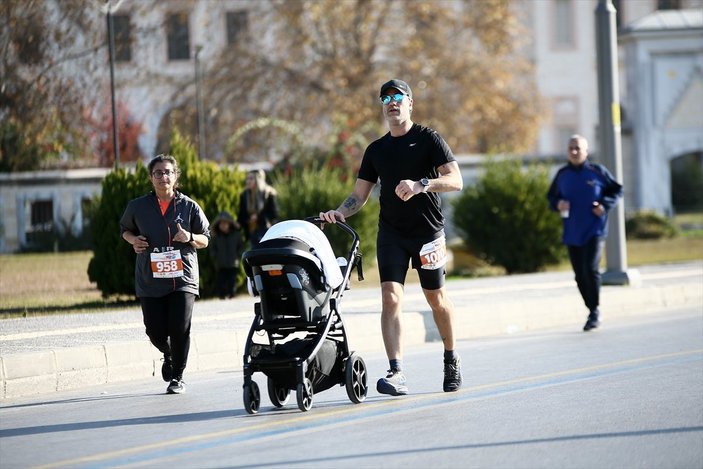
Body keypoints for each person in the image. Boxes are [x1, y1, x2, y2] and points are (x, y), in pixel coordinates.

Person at [320, 79, 464, 396]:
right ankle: (397, 372)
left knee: (436, 299)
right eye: (386, 98)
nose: (391, 102)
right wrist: (340, 212)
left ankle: (450, 358)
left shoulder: (429, 139)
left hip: (428, 233)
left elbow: (456, 180)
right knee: (389, 297)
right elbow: (359, 195)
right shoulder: (377, 150)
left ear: (410, 103)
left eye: (398, 96)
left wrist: (421, 184)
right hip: (392, 234)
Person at [120, 154, 210, 394]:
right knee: (154, 330)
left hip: (183, 279)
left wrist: (189, 237)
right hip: (150, 279)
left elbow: (206, 239)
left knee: (180, 327)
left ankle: (178, 377)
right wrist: (133, 240)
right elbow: (125, 229)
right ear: (151, 178)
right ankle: (169, 352)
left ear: (175, 176)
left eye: (168, 172)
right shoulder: (138, 206)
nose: (163, 177)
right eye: (158, 173)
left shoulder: (189, 206)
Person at [547, 134, 623, 331]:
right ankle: (591, 309)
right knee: (579, 275)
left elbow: (616, 190)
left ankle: (595, 310)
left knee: (590, 269)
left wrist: (604, 205)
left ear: (586, 151)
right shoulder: (562, 174)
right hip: (572, 231)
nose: (574, 151)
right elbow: (551, 198)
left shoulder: (597, 171)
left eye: (577, 148)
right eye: (571, 148)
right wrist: (558, 203)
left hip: (594, 230)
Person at [238, 169, 279, 248]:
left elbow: (274, 214)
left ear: (258, 179)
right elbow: (241, 215)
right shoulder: (244, 195)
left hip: (266, 232)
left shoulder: (269, 193)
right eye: (247, 178)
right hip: (251, 233)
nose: (248, 181)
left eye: (251, 178)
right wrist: (248, 219)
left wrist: (258, 217)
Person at [210, 211, 244, 299]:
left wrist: (238, 256)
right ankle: (222, 295)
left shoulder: (236, 235)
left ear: (229, 224)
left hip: (233, 263)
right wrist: (215, 258)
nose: (223, 225)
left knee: (232, 280)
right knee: (221, 280)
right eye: (221, 224)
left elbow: (240, 246)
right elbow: (213, 249)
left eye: (225, 223)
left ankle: (232, 294)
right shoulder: (216, 236)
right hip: (221, 263)